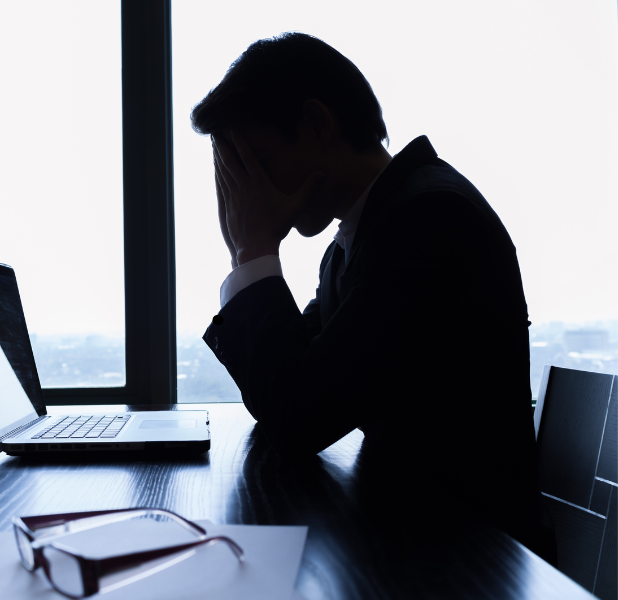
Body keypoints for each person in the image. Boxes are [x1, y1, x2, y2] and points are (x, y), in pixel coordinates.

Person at [193, 32, 554, 562]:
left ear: (317, 125)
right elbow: (285, 395)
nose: (246, 194)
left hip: (468, 562)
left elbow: (297, 418)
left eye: (255, 164)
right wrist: (249, 255)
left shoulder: (427, 221)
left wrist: (251, 250)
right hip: (414, 535)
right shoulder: (363, 234)